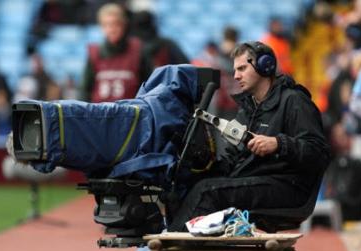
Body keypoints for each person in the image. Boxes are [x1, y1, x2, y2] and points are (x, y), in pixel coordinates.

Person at [168, 41, 331, 231]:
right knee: (189, 184)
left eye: (243, 68)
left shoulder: (294, 101)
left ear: (265, 65)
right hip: (257, 180)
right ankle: (178, 245)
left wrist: (278, 144)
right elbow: (233, 159)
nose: (236, 76)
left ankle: (172, 248)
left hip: (288, 187)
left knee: (207, 192)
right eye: (236, 69)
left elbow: (319, 153)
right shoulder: (247, 109)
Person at [80, 3, 151, 102]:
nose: (111, 29)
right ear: (101, 27)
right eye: (106, 25)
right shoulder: (94, 52)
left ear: (123, 25)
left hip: (131, 113)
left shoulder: (138, 50)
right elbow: (85, 90)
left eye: (115, 24)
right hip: (100, 114)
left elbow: (149, 86)